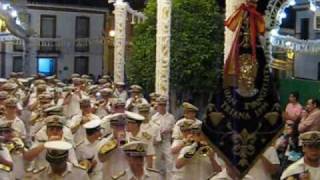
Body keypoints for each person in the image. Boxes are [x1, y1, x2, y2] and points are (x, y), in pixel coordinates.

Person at [151, 96, 175, 180]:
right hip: (157, 142)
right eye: (160, 105)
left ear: (166, 105)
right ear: (157, 105)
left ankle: (170, 178)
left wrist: (169, 130)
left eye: (163, 105)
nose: (162, 107)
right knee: (157, 162)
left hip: (166, 141)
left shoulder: (171, 117)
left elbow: (174, 130)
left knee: (170, 160)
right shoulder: (154, 118)